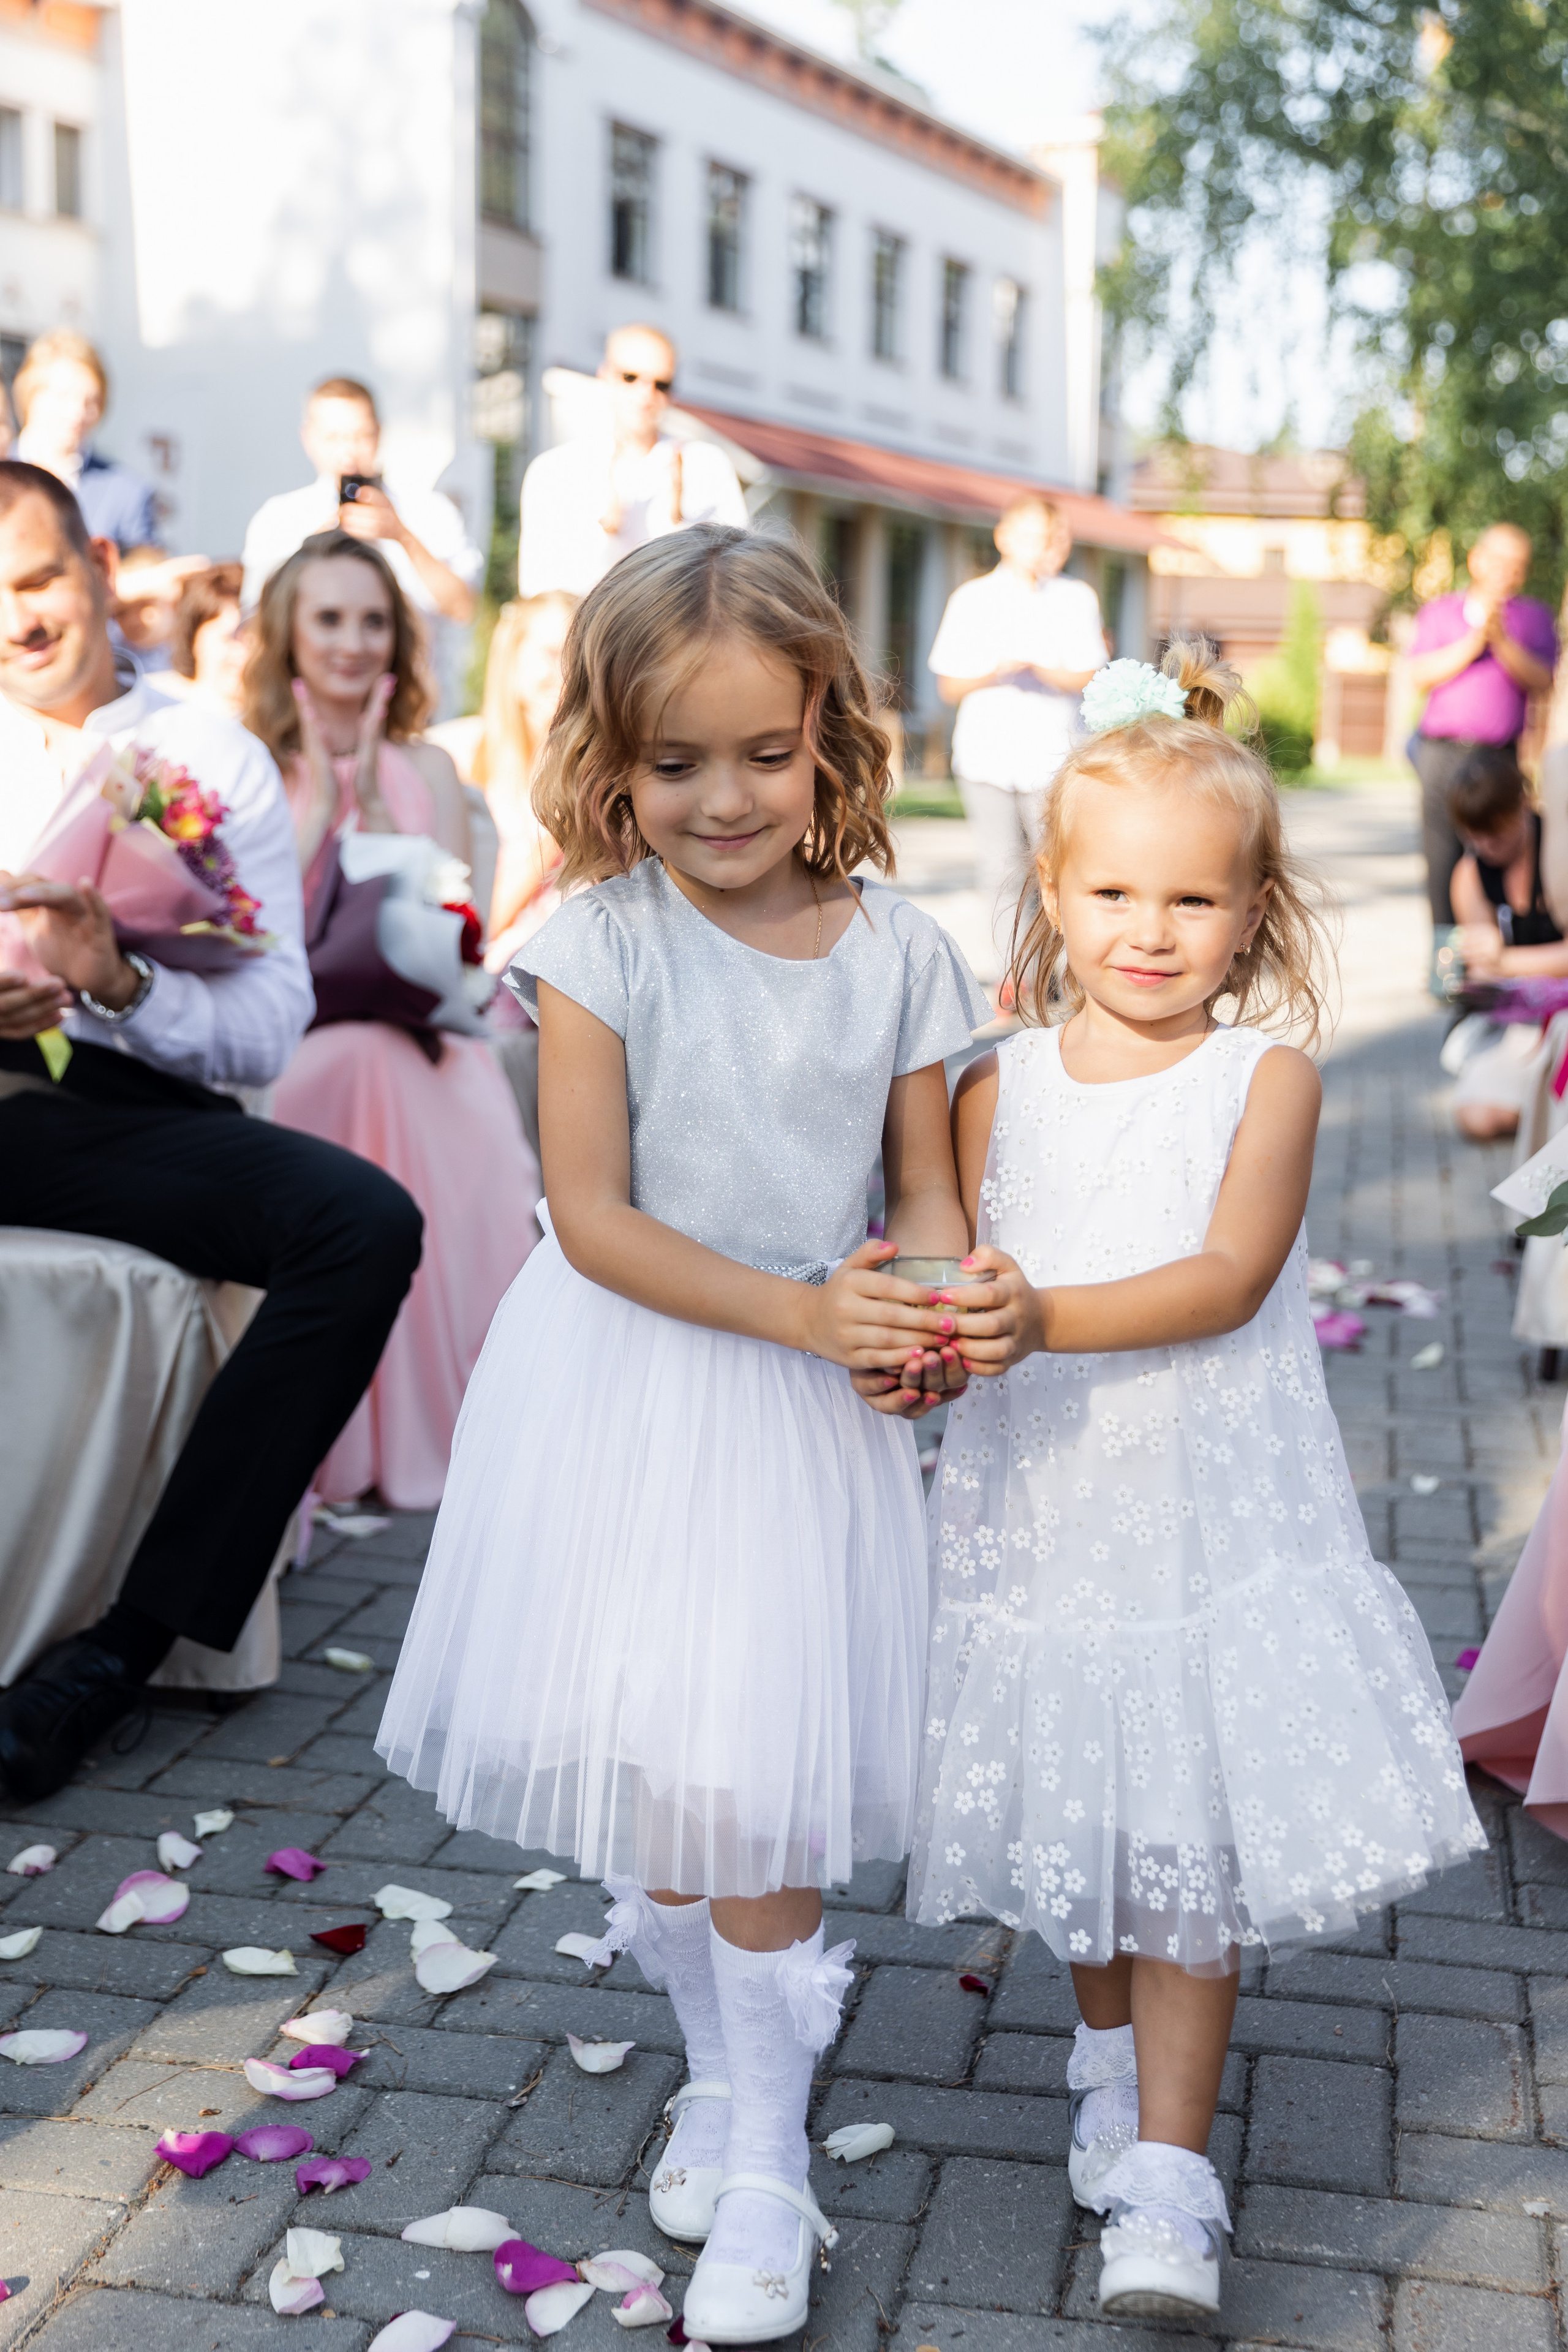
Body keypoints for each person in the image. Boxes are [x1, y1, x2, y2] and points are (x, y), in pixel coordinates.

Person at [376, 524, 987, 2344]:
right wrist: (806, 1307)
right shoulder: (597, 941)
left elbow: (923, 1192)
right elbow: (591, 1208)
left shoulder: (897, 949)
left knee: (759, 1771)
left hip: (803, 1408)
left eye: (763, 753)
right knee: (665, 1760)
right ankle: (718, 2075)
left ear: (830, 736)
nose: (722, 799)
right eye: (672, 762)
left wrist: (923, 1321)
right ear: (610, 759)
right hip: (631, 1376)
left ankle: (768, 2151)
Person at [911, 644, 1482, 2326]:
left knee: (1185, 1847)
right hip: (1044, 1519)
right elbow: (954, 1281)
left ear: (1253, 913)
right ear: (1050, 888)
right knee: (1081, 1813)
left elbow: (1227, 1277)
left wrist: (1037, 1317)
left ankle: (1171, 2180)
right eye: (1113, 892)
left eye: (1193, 900)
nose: (1150, 932)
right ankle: (1103, 2052)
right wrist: (923, 1335)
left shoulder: (1270, 1080)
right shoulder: (992, 1083)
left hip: (1201, 1524)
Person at [0, 461, 423, 1800]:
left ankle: (116, 1654)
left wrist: (114, 984)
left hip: (109, 1111)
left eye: (32, 581)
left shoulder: (202, 753)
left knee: (362, 1224)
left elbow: (266, 1027)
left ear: (101, 571)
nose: (14, 621)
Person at [244, 528, 540, 1510]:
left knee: (406, 1072)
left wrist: (373, 803)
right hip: (294, 1043)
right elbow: (250, 939)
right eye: (329, 618)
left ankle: (442, 1416)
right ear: (288, 631)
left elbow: (455, 937)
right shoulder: (251, 770)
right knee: (346, 1066)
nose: (352, 642)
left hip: (423, 1042)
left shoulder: (431, 770)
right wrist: (315, 803)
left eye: (373, 621)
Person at [927, 493, 1106, 990]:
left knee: (1062, 869)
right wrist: (995, 671)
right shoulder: (973, 599)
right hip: (987, 755)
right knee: (1002, 871)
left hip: (1054, 756)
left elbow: (1089, 675)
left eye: (1047, 537)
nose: (1038, 546)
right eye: (1027, 535)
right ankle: (1018, 976)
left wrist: (1039, 668)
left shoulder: (1076, 598)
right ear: (1003, 536)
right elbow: (949, 685)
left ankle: (1076, 971)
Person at [428, 591, 579, 1163]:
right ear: (511, 661)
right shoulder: (460, 753)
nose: (562, 674)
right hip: (480, 969)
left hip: (554, 990)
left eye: (576, 655)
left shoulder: (610, 770)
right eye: (547, 653)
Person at [241, 375, 483, 707]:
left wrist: (403, 537)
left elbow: (463, 607)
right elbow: (255, 622)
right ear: (308, 438)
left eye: (361, 436)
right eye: (334, 438)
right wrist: (313, 549)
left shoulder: (429, 512)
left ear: (379, 433)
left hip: (413, 709)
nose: (349, 452)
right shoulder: (280, 518)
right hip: (307, 710)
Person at [518, 323, 747, 598]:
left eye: (661, 384)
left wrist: (677, 523)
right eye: (630, 377)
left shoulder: (707, 465)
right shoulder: (556, 470)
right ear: (604, 376)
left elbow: (733, 578)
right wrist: (606, 533)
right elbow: (539, 591)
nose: (646, 395)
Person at [1409, 522, 1557, 931]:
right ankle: (1447, 959)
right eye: (1498, 560)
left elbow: (1543, 680)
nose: (1506, 571)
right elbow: (1420, 673)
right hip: (1442, 752)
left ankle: (1495, 954)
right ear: (1476, 560)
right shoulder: (1439, 611)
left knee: (1501, 852)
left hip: (1500, 756)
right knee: (1442, 857)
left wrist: (1503, 641)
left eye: (1517, 565)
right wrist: (1476, 641)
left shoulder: (1534, 617)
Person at [1439, 747, 1568, 1140]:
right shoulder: (1470, 875)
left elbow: (1497, 963)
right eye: (1473, 836)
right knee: (1476, 1119)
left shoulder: (1559, 848)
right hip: (1518, 1023)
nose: (1486, 846)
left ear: (1523, 804)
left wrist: (1505, 959)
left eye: (1497, 832)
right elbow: (1483, 972)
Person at [13, 331, 161, 552]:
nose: (77, 413)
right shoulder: (5, 468)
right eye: (63, 396)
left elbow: (147, 577)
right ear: (29, 394)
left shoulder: (126, 493)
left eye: (90, 401)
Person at [151, 560, 250, 716]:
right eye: (229, 637)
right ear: (194, 638)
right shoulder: (155, 703)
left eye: (252, 640)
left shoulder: (274, 726)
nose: (242, 653)